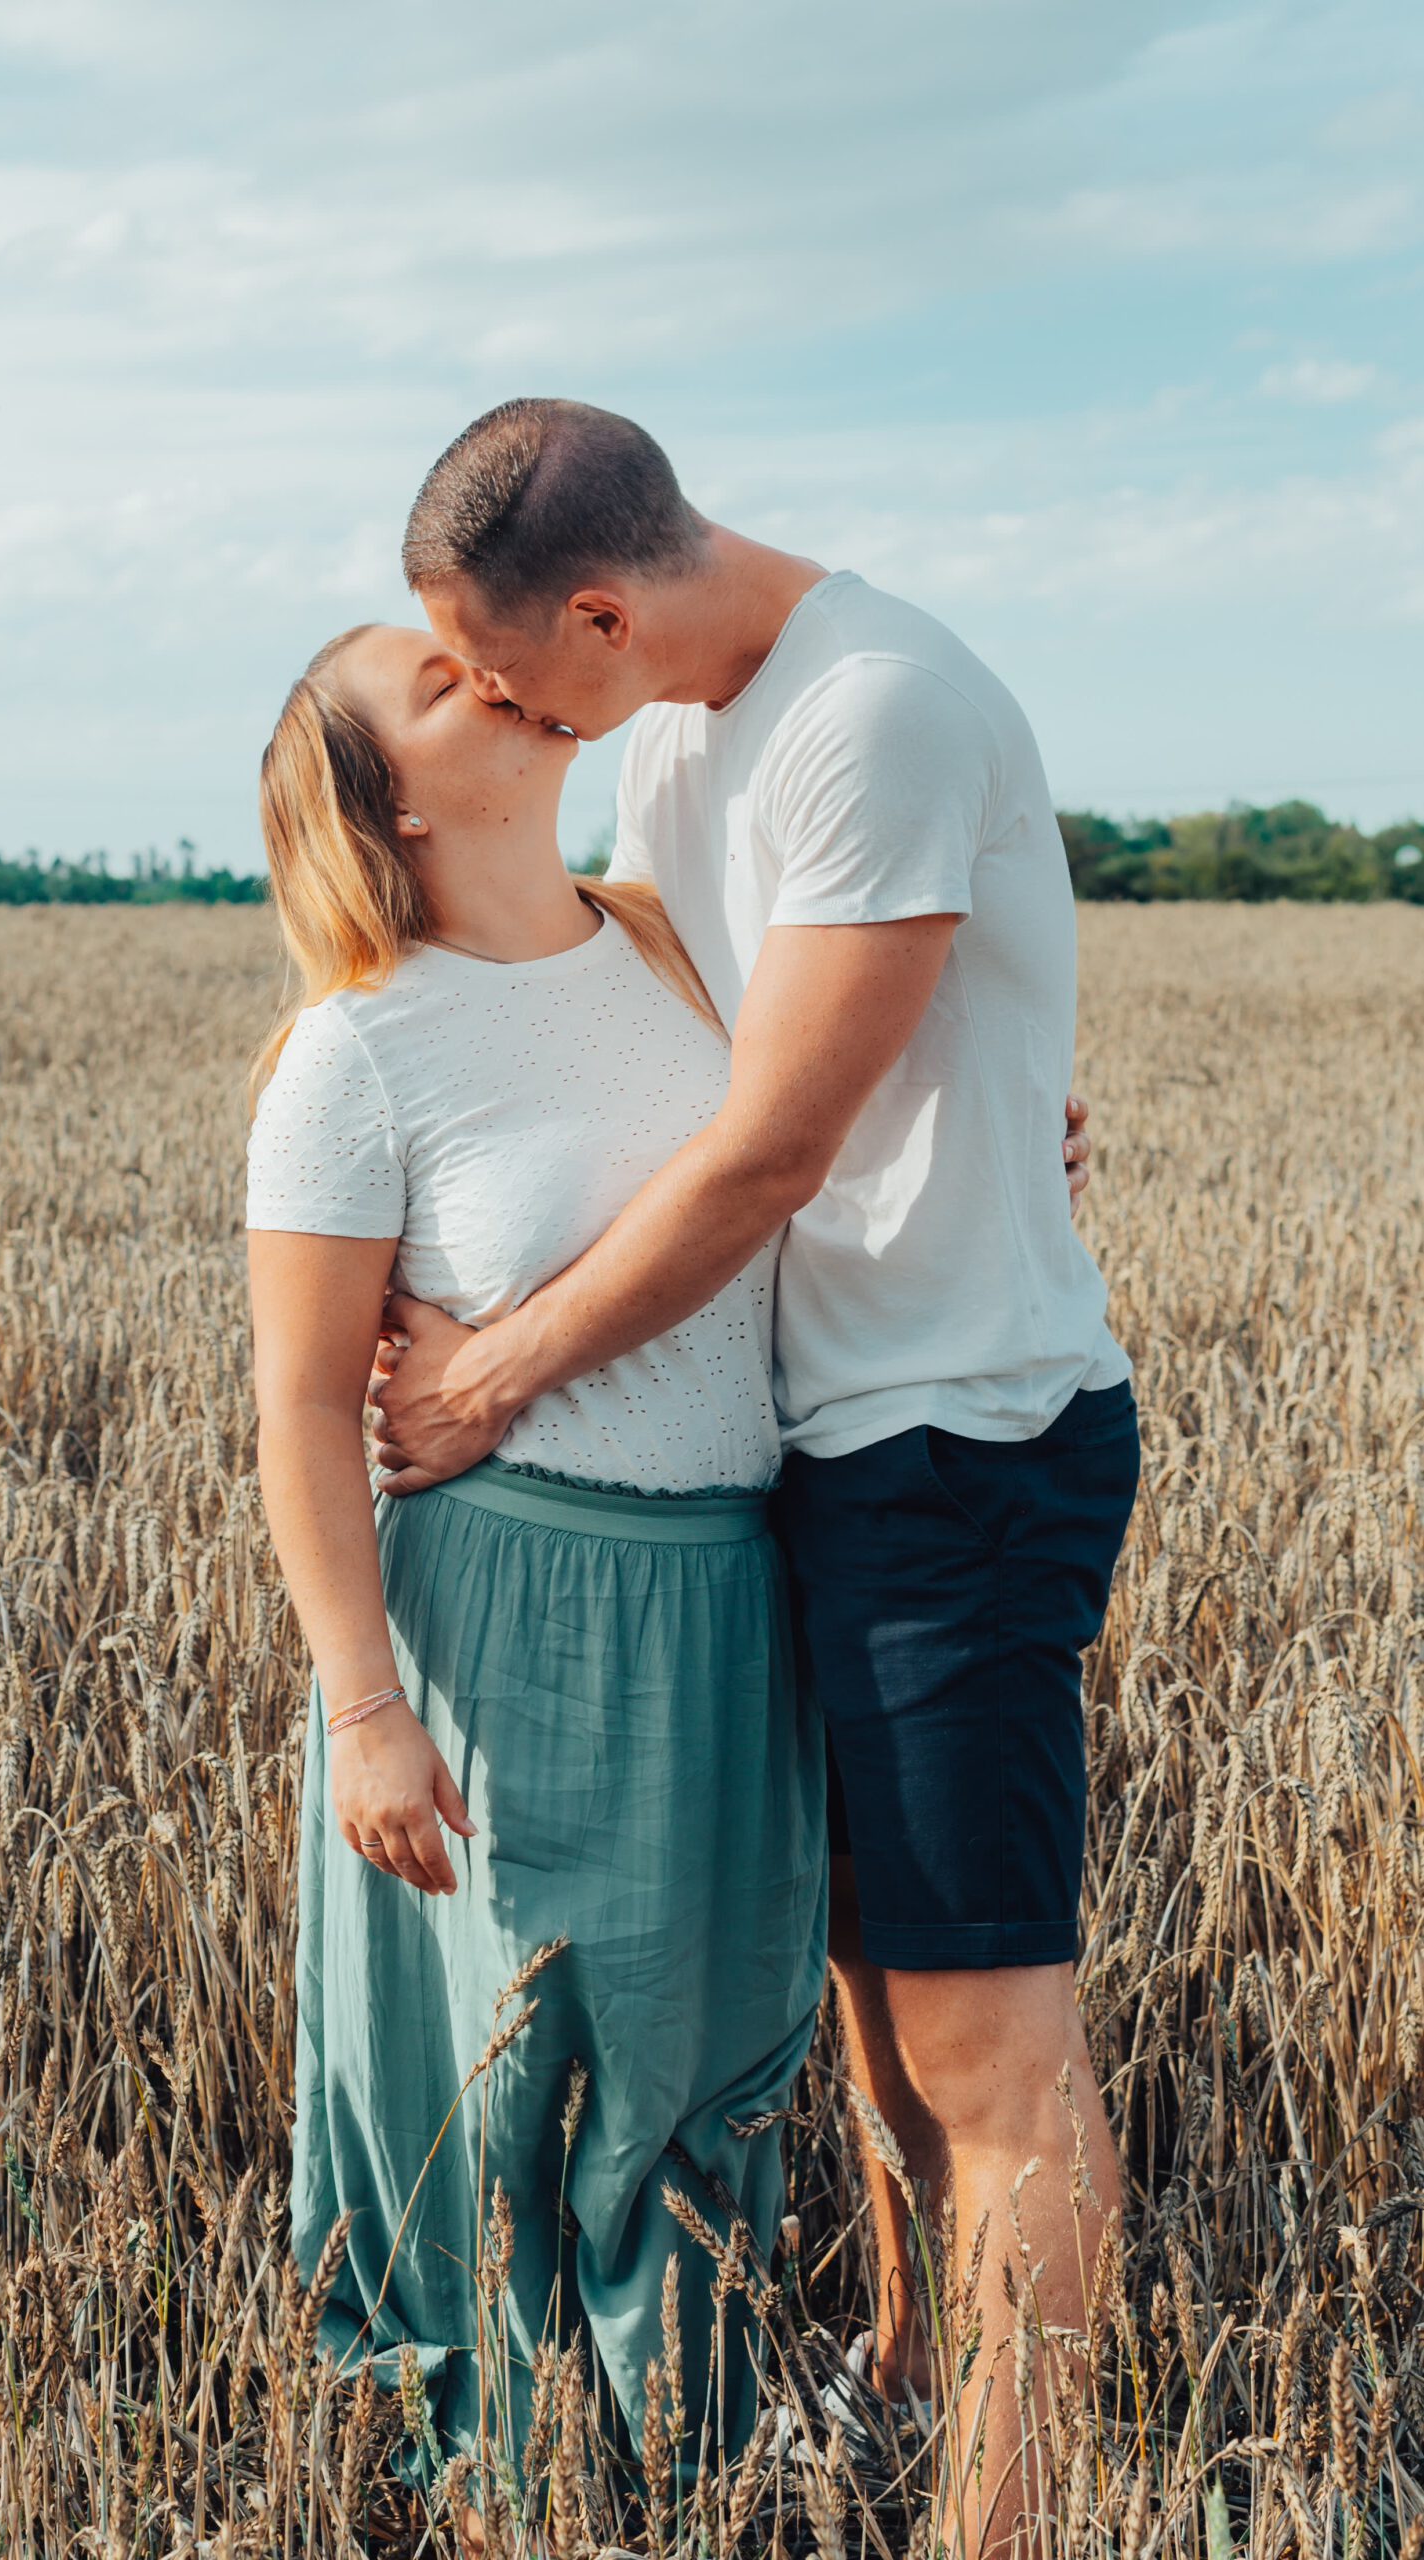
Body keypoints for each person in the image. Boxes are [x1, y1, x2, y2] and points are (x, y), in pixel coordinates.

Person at [367, 399, 1141, 2557]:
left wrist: (497, 1367)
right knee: (869, 2017)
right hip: (823, 1434)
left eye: (525, 676)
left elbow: (772, 1143)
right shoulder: (686, 732)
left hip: (954, 1440)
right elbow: (685, 1022)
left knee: (984, 2051)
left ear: (605, 609)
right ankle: (906, 2380)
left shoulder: (875, 705)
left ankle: (1006, 2521)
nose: (520, 715)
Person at [244, 621, 831, 2516]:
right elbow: (304, 1411)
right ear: (391, 803)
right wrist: (362, 1710)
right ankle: (489, 2476)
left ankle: (687, 2466)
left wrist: (990, 1158)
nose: (480, 667)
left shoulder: (673, 942)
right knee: (496, 2076)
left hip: (735, 1587)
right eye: (427, 680)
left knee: (704, 2046)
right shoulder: (358, 1050)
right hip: (507, 1605)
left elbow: (791, 1172)